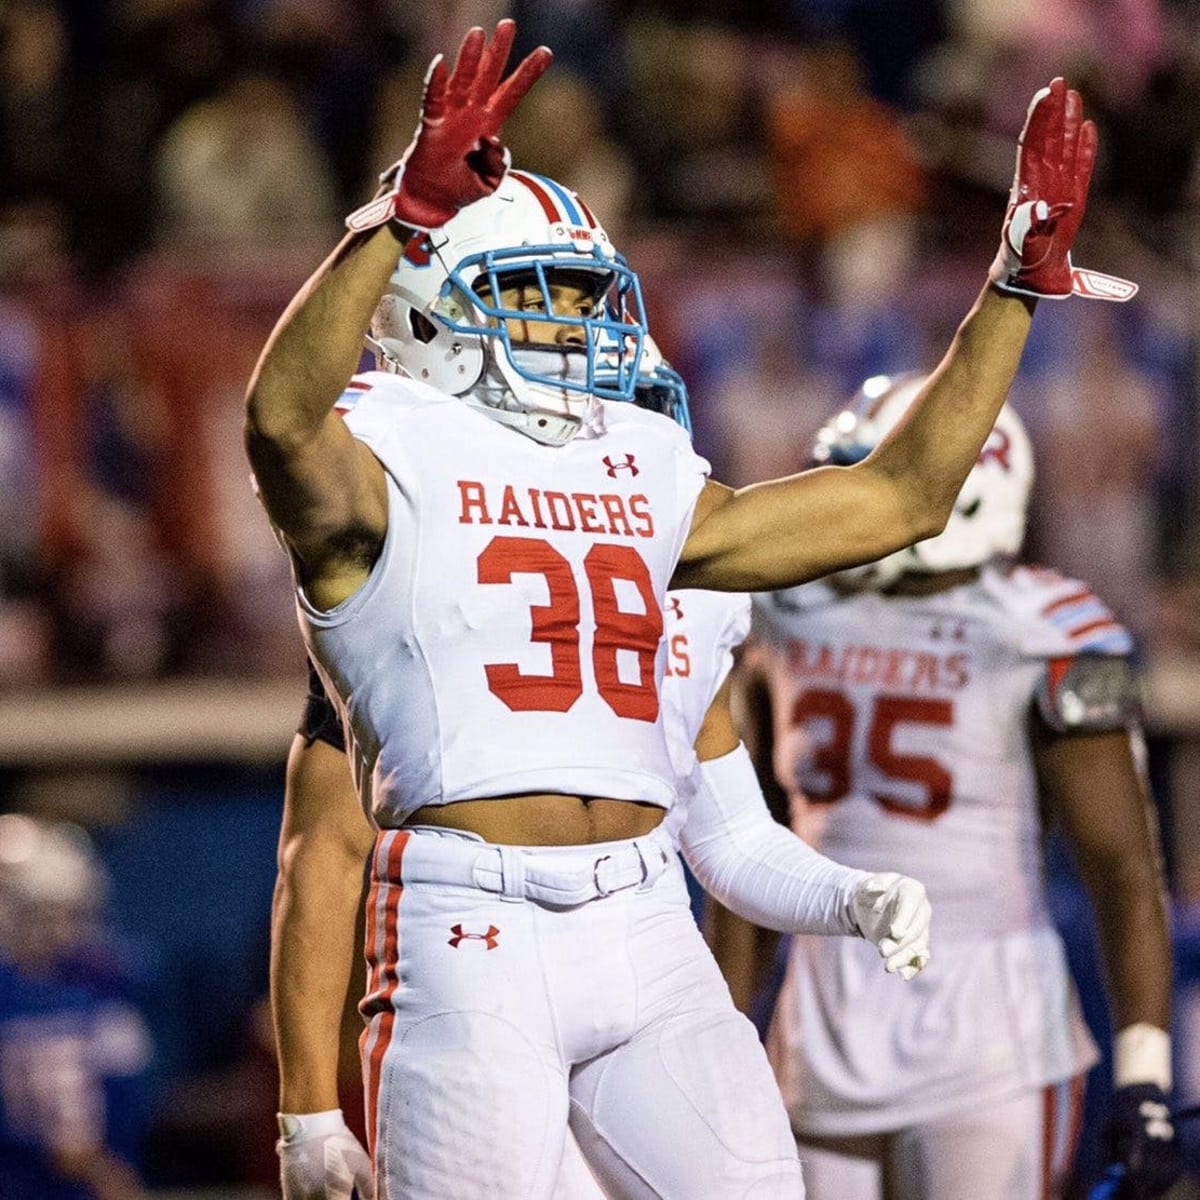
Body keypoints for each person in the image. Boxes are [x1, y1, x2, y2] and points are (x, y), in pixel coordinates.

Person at [244, 18, 1132, 1198]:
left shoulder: (639, 461)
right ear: (422, 308)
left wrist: (1013, 291)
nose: (574, 327)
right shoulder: (381, 450)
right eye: (534, 295)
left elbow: (900, 499)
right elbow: (277, 423)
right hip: (468, 933)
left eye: (578, 295)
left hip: (650, 923)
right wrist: (396, 218)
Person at [270, 349, 933, 1200]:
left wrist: (850, 898)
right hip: (473, 953)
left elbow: (727, 835)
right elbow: (322, 851)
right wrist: (309, 1114)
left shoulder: (703, 597)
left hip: (638, 943)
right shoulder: (426, 587)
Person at [718, 374, 1181, 1200]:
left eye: (876, 473)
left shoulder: (1041, 628)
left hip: (991, 1039)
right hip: (820, 1021)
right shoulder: (790, 610)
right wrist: (718, 1032)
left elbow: (1123, 868)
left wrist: (1145, 1075)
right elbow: (745, 840)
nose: (850, 500)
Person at [0, 814, 154, 1200]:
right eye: (49, 914)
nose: (62, 929)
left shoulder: (100, 995)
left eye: (70, 913)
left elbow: (126, 1108)